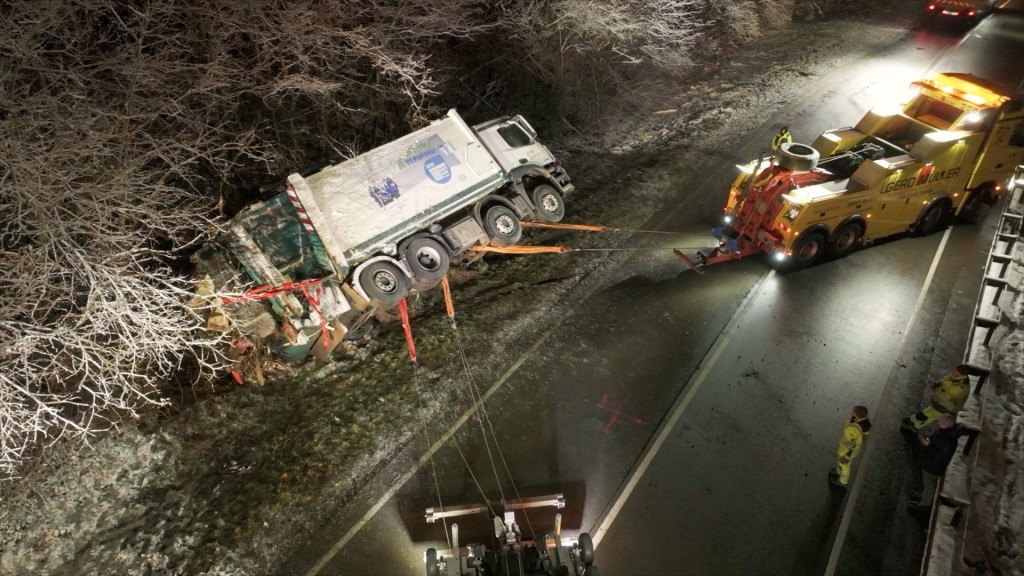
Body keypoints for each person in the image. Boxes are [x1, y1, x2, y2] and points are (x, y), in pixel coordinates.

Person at [908, 414, 971, 513]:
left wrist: (928, 445)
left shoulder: (948, 440)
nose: (938, 422)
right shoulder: (948, 434)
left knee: (929, 486)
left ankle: (924, 505)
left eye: (940, 421)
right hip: (931, 464)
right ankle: (925, 497)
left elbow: (939, 457)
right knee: (927, 484)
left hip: (932, 468)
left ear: (944, 425)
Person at [901, 365, 971, 432]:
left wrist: (936, 390)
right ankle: (915, 425)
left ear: (960, 374)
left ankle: (912, 423)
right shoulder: (957, 377)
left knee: (928, 413)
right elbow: (946, 380)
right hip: (943, 402)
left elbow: (946, 397)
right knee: (931, 415)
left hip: (948, 406)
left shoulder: (960, 387)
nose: (953, 371)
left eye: (955, 371)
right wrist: (938, 383)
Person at [829, 405, 871, 489]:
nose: (851, 413)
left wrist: (846, 455)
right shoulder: (863, 422)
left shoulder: (854, 429)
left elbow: (851, 443)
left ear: (857, 415)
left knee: (844, 465)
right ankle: (839, 471)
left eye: (853, 412)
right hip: (848, 449)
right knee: (841, 462)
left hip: (847, 451)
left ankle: (843, 481)